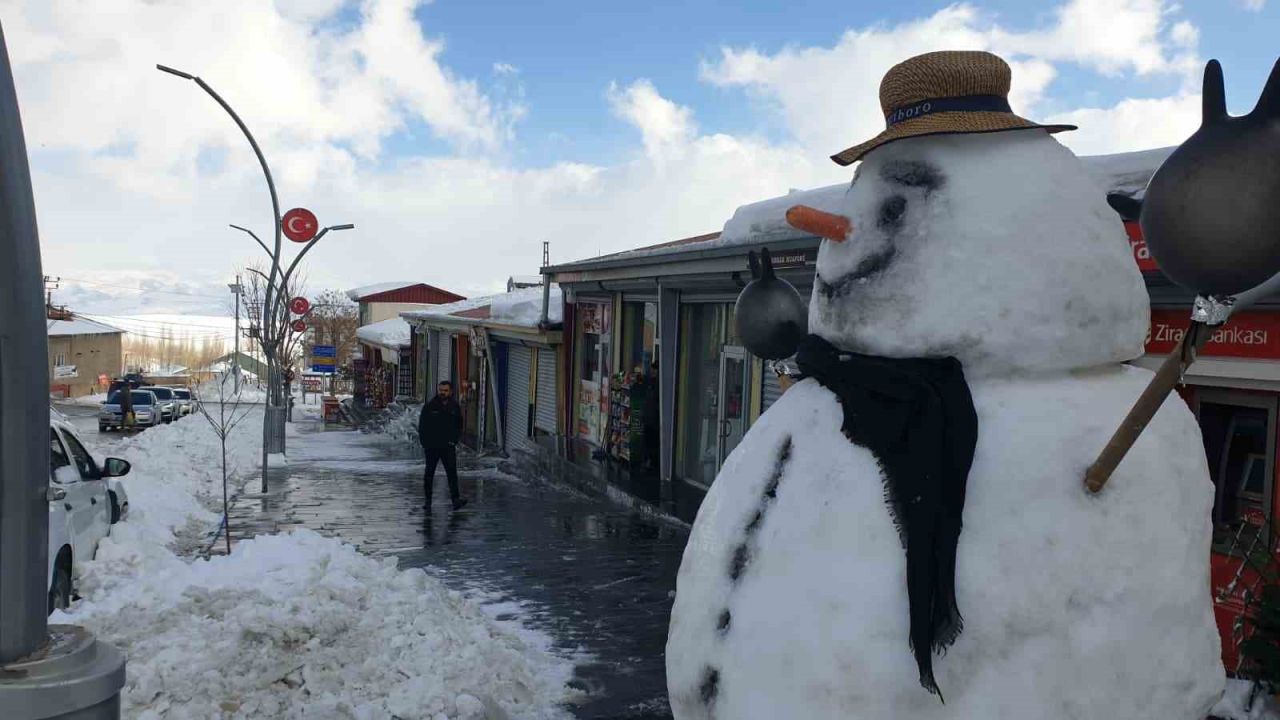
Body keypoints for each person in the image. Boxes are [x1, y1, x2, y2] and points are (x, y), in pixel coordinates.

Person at [418, 380, 467, 511]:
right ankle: (428, 501)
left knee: (452, 473)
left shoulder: (454, 406)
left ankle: (456, 500)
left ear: (450, 391)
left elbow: (459, 425)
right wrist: (425, 443)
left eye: (445, 391)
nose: (442, 393)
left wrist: (454, 440)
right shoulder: (430, 406)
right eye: (440, 390)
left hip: (448, 446)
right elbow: (422, 426)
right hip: (432, 446)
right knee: (429, 474)